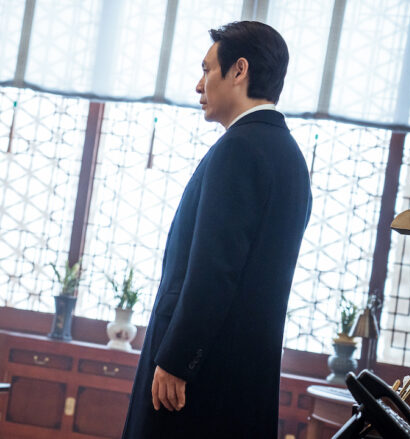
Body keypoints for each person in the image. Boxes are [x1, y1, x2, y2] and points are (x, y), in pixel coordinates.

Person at [122, 21, 312, 438]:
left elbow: (214, 269)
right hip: (245, 378)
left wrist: (177, 359)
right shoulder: (290, 157)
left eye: (207, 69)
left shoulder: (239, 149)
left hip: (199, 381)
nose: (198, 84)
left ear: (239, 70)